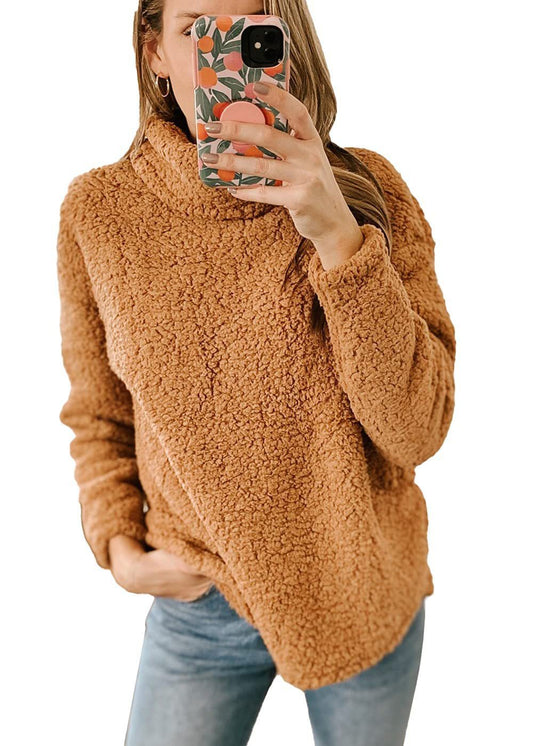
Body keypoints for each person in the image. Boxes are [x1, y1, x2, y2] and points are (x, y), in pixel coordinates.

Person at [56, 1, 456, 744]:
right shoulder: (100, 213)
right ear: (155, 53)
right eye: (198, 30)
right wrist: (117, 545)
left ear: (285, 46)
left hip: (362, 588)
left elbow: (417, 430)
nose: (228, 57)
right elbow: (98, 408)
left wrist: (337, 235)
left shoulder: (369, 190)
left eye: (252, 33)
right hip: (200, 601)